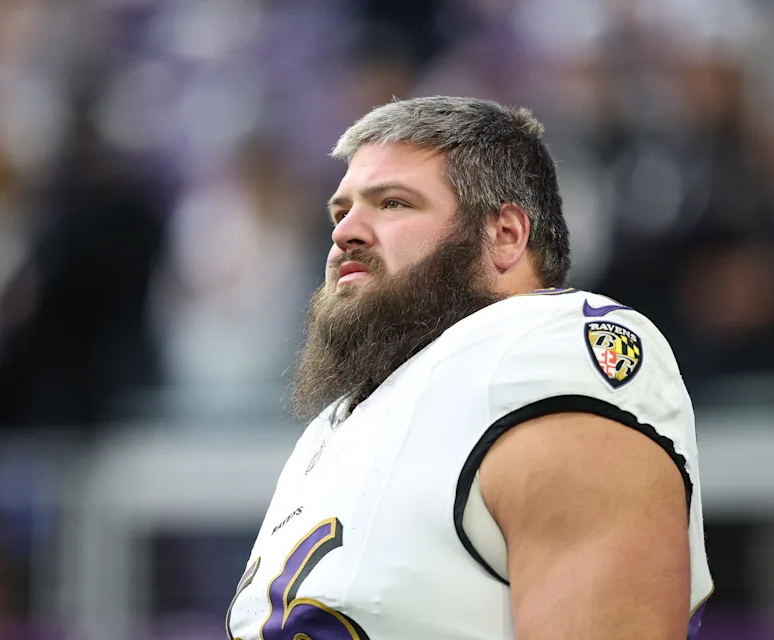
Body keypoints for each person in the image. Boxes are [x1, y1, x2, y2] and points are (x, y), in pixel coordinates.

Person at [225, 96, 714, 640]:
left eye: (392, 203)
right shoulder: (341, 422)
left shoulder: (543, 349)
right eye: (341, 212)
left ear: (504, 235)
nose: (345, 232)